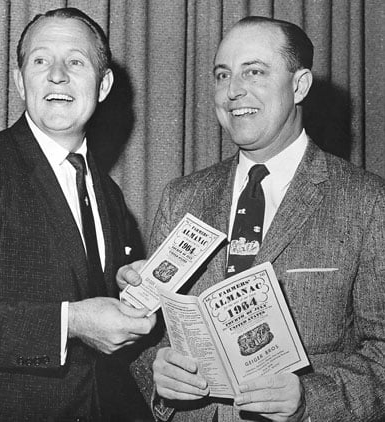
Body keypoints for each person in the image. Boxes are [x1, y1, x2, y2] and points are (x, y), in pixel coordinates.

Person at [117, 16, 385, 422]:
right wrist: (158, 373)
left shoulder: (366, 201)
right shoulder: (182, 197)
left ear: (300, 85)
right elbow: (150, 342)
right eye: (222, 75)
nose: (233, 91)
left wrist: (309, 399)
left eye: (254, 71)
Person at [0, 7, 156, 422]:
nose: (58, 75)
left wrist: (132, 290)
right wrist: (69, 322)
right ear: (21, 81)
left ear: (103, 84)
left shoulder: (108, 194)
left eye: (76, 61)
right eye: (41, 60)